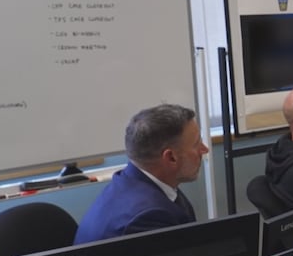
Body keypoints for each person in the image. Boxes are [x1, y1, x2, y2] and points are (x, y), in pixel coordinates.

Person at [74, 104, 208, 244]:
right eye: (197, 144)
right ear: (171, 157)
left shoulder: (130, 181)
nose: (205, 150)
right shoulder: (147, 218)